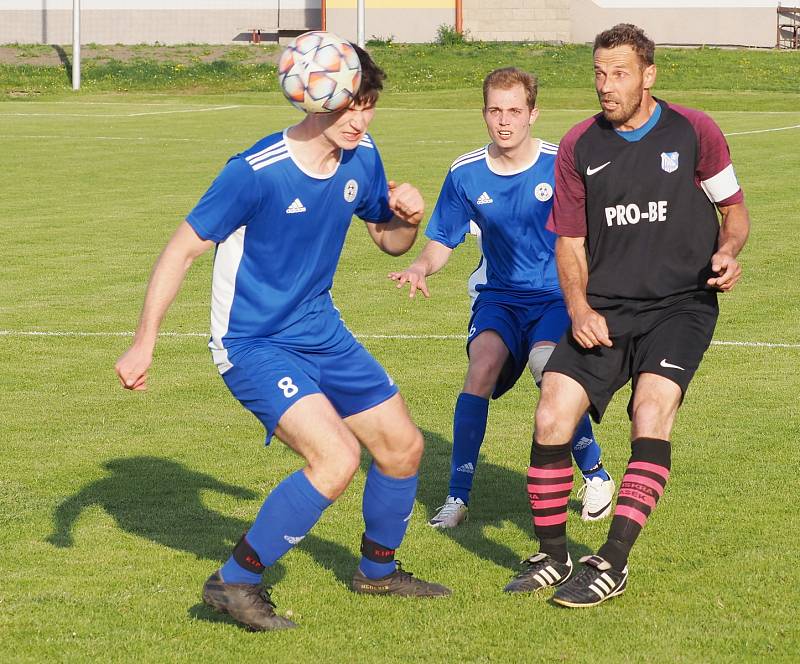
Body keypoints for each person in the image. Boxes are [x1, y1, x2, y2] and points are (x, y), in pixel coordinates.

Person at [114, 43, 451, 632]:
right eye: (348, 104)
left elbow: (388, 240)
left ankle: (377, 572)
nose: (359, 119)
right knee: (337, 458)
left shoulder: (362, 155)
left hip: (321, 330)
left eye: (367, 105)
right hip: (252, 343)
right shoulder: (255, 171)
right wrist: (145, 341)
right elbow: (181, 250)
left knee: (402, 447)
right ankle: (234, 581)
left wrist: (408, 219)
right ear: (314, 95)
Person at [517, 24, 750, 607]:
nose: (606, 85)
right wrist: (577, 307)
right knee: (552, 414)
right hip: (606, 308)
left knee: (650, 411)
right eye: (599, 73)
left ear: (649, 75)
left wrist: (728, 251)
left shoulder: (695, 130)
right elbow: (568, 243)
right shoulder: (578, 146)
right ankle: (552, 555)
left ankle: (611, 563)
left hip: (681, 305)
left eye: (618, 73)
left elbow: (734, 210)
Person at [389, 67, 616, 544]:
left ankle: (595, 474)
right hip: (499, 296)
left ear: (533, 113)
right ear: (484, 113)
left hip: (557, 295)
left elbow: (602, 225)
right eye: (496, 110)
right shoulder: (465, 172)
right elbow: (441, 241)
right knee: (482, 365)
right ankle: (457, 497)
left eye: (515, 111)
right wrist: (420, 268)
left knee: (547, 370)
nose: (504, 121)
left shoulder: (563, 163)